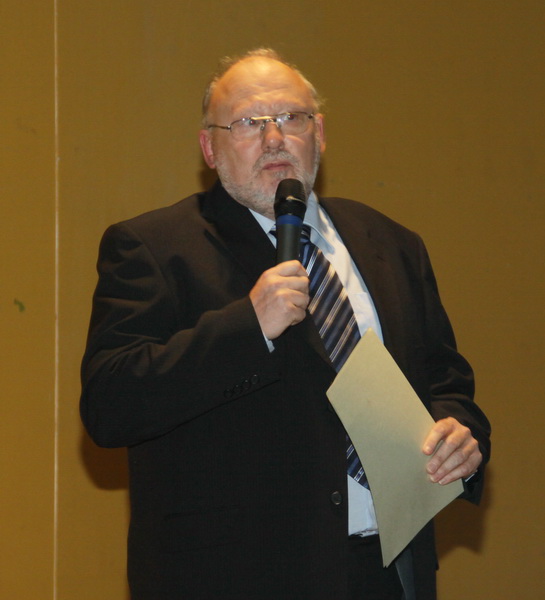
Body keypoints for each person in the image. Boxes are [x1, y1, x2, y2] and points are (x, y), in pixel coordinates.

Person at [80, 48, 491, 600]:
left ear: (318, 134)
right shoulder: (154, 248)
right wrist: (247, 328)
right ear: (210, 147)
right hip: (237, 577)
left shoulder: (392, 244)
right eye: (249, 122)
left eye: (291, 118)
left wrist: (460, 433)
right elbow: (110, 404)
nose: (274, 138)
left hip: (387, 571)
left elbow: (445, 379)